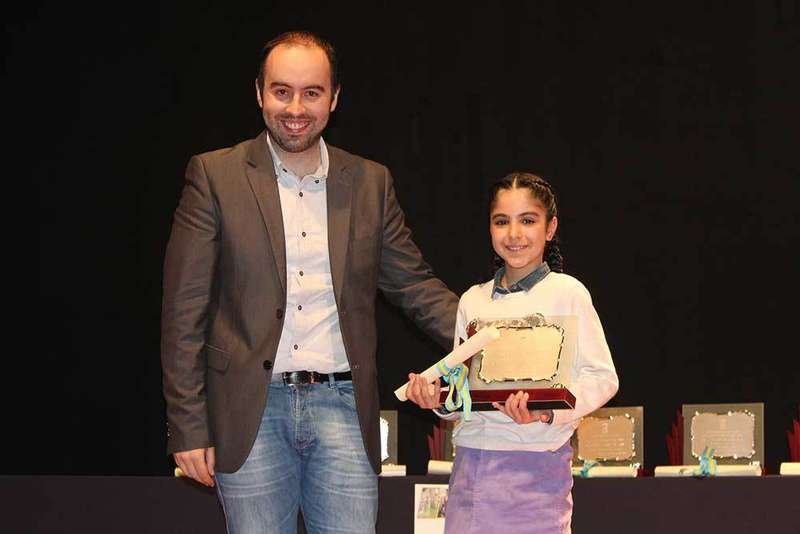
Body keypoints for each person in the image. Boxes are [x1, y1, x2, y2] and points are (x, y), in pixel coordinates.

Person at [161, 31, 458, 534]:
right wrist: (188, 425)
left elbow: (414, 285)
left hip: (344, 408)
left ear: (334, 98)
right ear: (259, 93)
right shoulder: (214, 176)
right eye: (282, 91)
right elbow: (182, 312)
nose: (295, 108)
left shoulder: (370, 182)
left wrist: (490, 328)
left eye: (311, 93)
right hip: (249, 416)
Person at [406, 172, 619, 533]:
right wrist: (436, 399)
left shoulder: (568, 293)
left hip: (537, 471)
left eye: (528, 220)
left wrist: (545, 412)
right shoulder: (473, 300)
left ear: (550, 228)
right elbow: (465, 389)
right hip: (473, 466)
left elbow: (602, 378)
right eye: (502, 221)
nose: (514, 234)